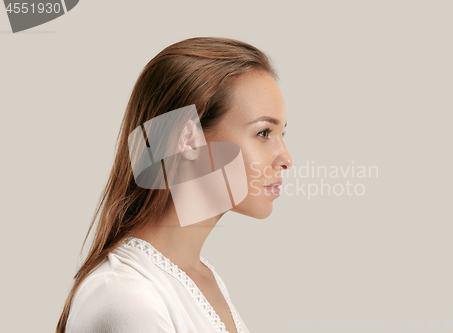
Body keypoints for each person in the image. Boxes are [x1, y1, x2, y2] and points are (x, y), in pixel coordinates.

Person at [56, 36, 293, 333]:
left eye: (283, 133)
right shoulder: (128, 295)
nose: (285, 158)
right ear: (188, 140)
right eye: (263, 133)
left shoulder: (202, 280)